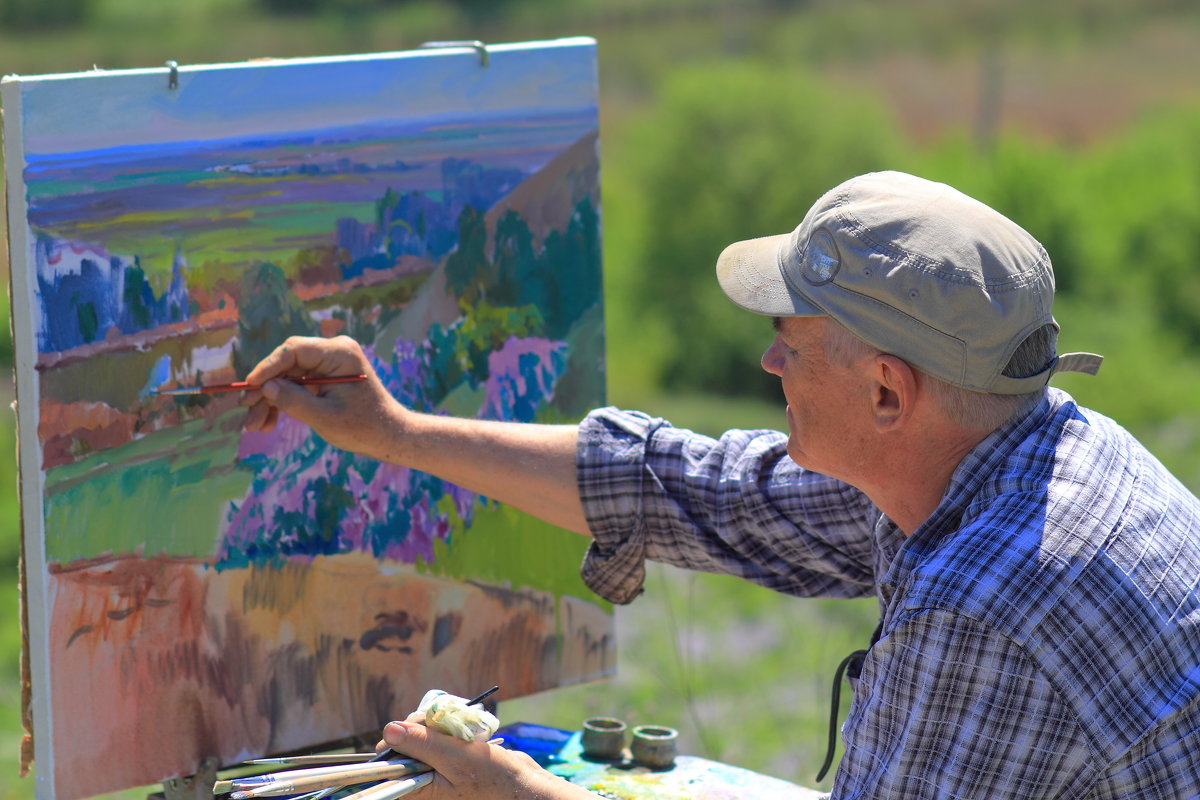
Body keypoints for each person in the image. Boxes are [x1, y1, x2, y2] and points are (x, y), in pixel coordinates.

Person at [240, 171, 1200, 798]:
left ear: (885, 391)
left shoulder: (983, 606)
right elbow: (706, 493)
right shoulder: (1017, 448)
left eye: (794, 339)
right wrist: (396, 432)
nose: (767, 358)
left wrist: (519, 795)